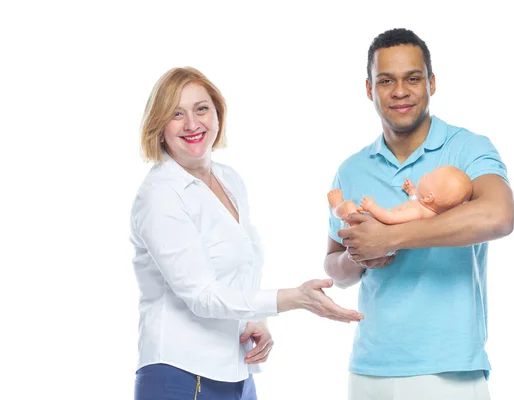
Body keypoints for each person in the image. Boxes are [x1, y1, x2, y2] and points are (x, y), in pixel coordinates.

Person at [130, 66, 363, 400]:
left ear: (217, 113)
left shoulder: (229, 180)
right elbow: (203, 295)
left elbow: (237, 273)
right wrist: (294, 298)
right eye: (176, 114)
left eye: (201, 109)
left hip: (236, 374)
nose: (192, 124)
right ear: (159, 127)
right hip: (180, 373)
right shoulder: (160, 195)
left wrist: (257, 319)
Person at [324, 28, 514, 400]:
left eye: (412, 78)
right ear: (369, 89)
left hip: (450, 370)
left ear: (431, 82)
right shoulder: (350, 170)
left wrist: (391, 236)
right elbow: (335, 268)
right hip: (370, 369)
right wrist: (358, 255)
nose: (400, 91)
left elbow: (499, 215)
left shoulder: (467, 149)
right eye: (386, 80)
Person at [328, 165, 473, 225]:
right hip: (377, 230)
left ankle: (336, 208)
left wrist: (372, 207)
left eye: (430, 176)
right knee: (355, 212)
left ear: (429, 197)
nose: (427, 173)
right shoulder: (426, 211)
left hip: (374, 232)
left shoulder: (416, 212)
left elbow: (391, 218)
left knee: (348, 206)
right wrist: (413, 192)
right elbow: (417, 203)